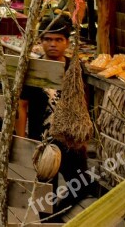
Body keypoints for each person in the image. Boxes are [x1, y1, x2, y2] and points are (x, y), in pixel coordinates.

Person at [17, 15, 93, 214]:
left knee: (82, 185)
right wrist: (22, 140)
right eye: (48, 39)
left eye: (58, 39)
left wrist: (83, 136)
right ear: (40, 41)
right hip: (43, 140)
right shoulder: (33, 70)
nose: (53, 44)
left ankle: (58, 215)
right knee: (44, 195)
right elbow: (22, 106)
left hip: (71, 140)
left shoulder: (74, 68)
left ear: (67, 42)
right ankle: (50, 221)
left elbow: (83, 102)